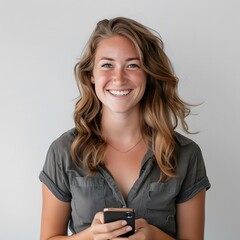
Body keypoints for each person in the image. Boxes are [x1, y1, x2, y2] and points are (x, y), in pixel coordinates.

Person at [39, 17, 210, 240]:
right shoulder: (63, 151)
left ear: (148, 75)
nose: (118, 79)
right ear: (92, 75)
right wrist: (91, 235)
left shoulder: (186, 154)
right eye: (107, 65)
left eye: (132, 65)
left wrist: (155, 237)